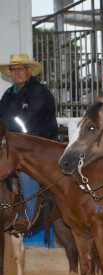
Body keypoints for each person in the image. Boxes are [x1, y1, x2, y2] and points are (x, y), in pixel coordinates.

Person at [0, 53, 58, 231]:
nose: (16, 73)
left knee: (26, 173)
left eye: (20, 69)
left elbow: (31, 123)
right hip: (15, 147)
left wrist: (12, 141)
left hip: (38, 148)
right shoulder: (8, 94)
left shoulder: (41, 93)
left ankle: (29, 216)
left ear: (29, 71)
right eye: (13, 69)